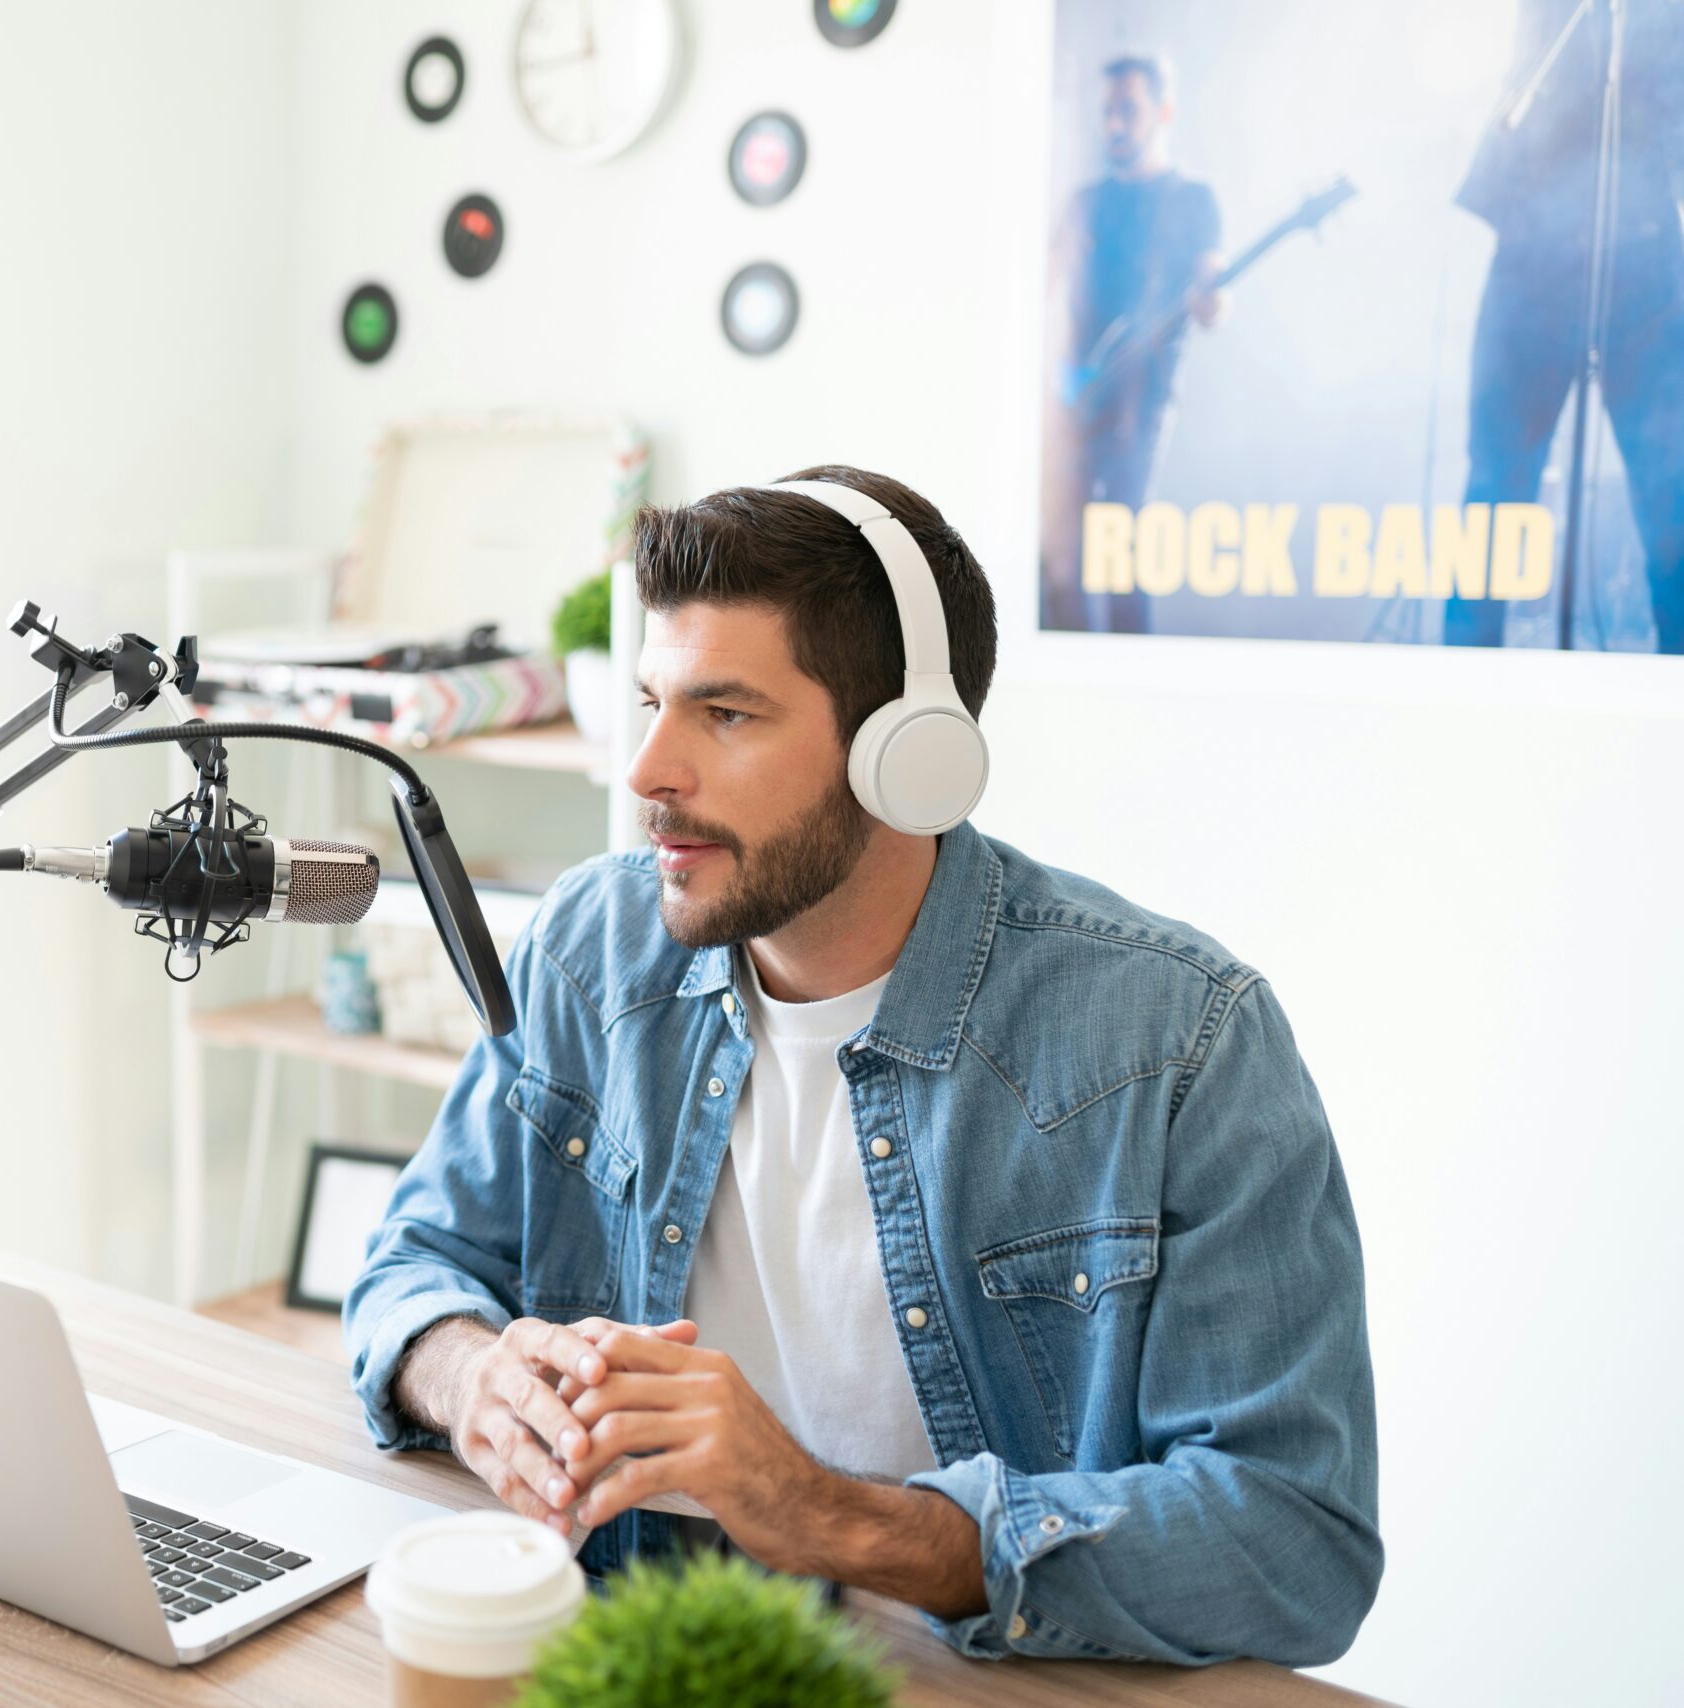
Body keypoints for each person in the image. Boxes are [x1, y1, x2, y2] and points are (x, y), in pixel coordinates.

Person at [345, 466, 1381, 1666]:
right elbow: (413, 1265)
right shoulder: (591, 944)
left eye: (724, 715)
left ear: (910, 757)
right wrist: (470, 1376)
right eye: (650, 701)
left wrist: (822, 1513)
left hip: (965, 1669)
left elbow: (1296, 1541)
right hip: (634, 1647)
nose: (645, 773)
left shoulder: (1178, 1044)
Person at [1444, 0, 1684, 652]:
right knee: (1495, 490)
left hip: (1646, 253)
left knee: (1673, 498)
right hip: (1534, 249)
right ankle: (1460, 694)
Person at [1040, 55, 1226, 635]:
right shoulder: (1085, 201)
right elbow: (1041, 291)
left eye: (1129, 110)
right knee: (1060, 561)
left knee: (1122, 549)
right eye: (1107, 112)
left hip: (1143, 400)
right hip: (1075, 396)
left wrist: (1209, 297)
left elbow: (1214, 299)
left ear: (1163, 113)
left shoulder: (1193, 200)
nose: (1115, 125)